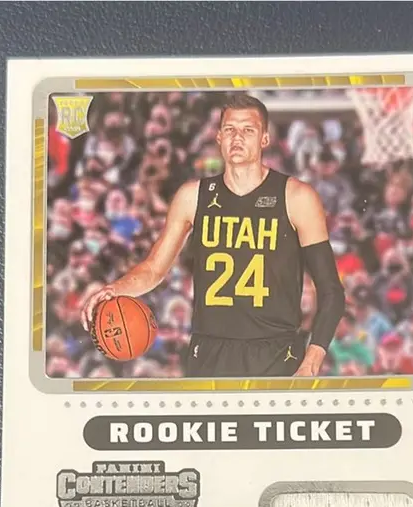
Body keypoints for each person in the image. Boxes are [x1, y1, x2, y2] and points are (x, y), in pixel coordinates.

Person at [81, 93, 345, 378]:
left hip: (277, 353)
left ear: (265, 139)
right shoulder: (192, 196)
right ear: (219, 137)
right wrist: (114, 289)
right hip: (208, 352)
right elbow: (154, 269)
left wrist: (311, 361)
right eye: (230, 129)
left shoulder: (297, 197)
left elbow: (331, 290)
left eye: (248, 130)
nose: (237, 137)